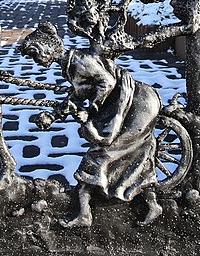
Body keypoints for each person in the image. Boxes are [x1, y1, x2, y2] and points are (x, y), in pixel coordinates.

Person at [20, 22, 163, 227]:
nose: (36, 61)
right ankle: (147, 205)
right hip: (123, 104)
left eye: (35, 55)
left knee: (103, 155)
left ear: (47, 48)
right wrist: (53, 115)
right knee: (134, 154)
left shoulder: (80, 61)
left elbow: (107, 83)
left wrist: (91, 111)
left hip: (136, 103)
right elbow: (78, 95)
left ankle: (86, 214)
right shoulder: (69, 66)